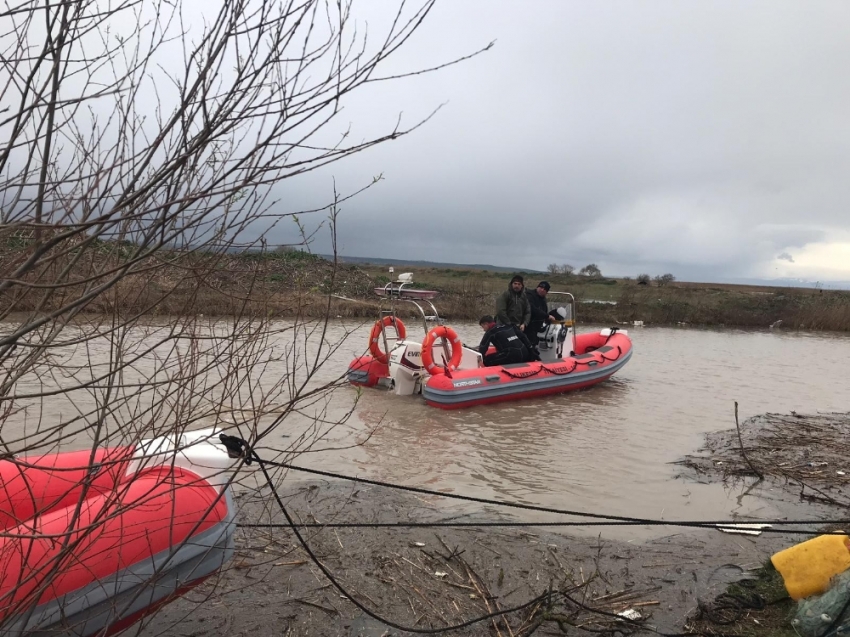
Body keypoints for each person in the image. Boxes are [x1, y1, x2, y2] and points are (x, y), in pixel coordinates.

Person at [525, 281, 556, 346]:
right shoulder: (529, 295)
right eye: (541, 287)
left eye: (544, 289)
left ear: (546, 292)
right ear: (537, 287)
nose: (542, 290)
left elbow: (544, 311)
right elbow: (532, 309)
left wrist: (549, 317)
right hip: (527, 325)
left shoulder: (543, 299)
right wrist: (547, 316)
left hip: (537, 327)